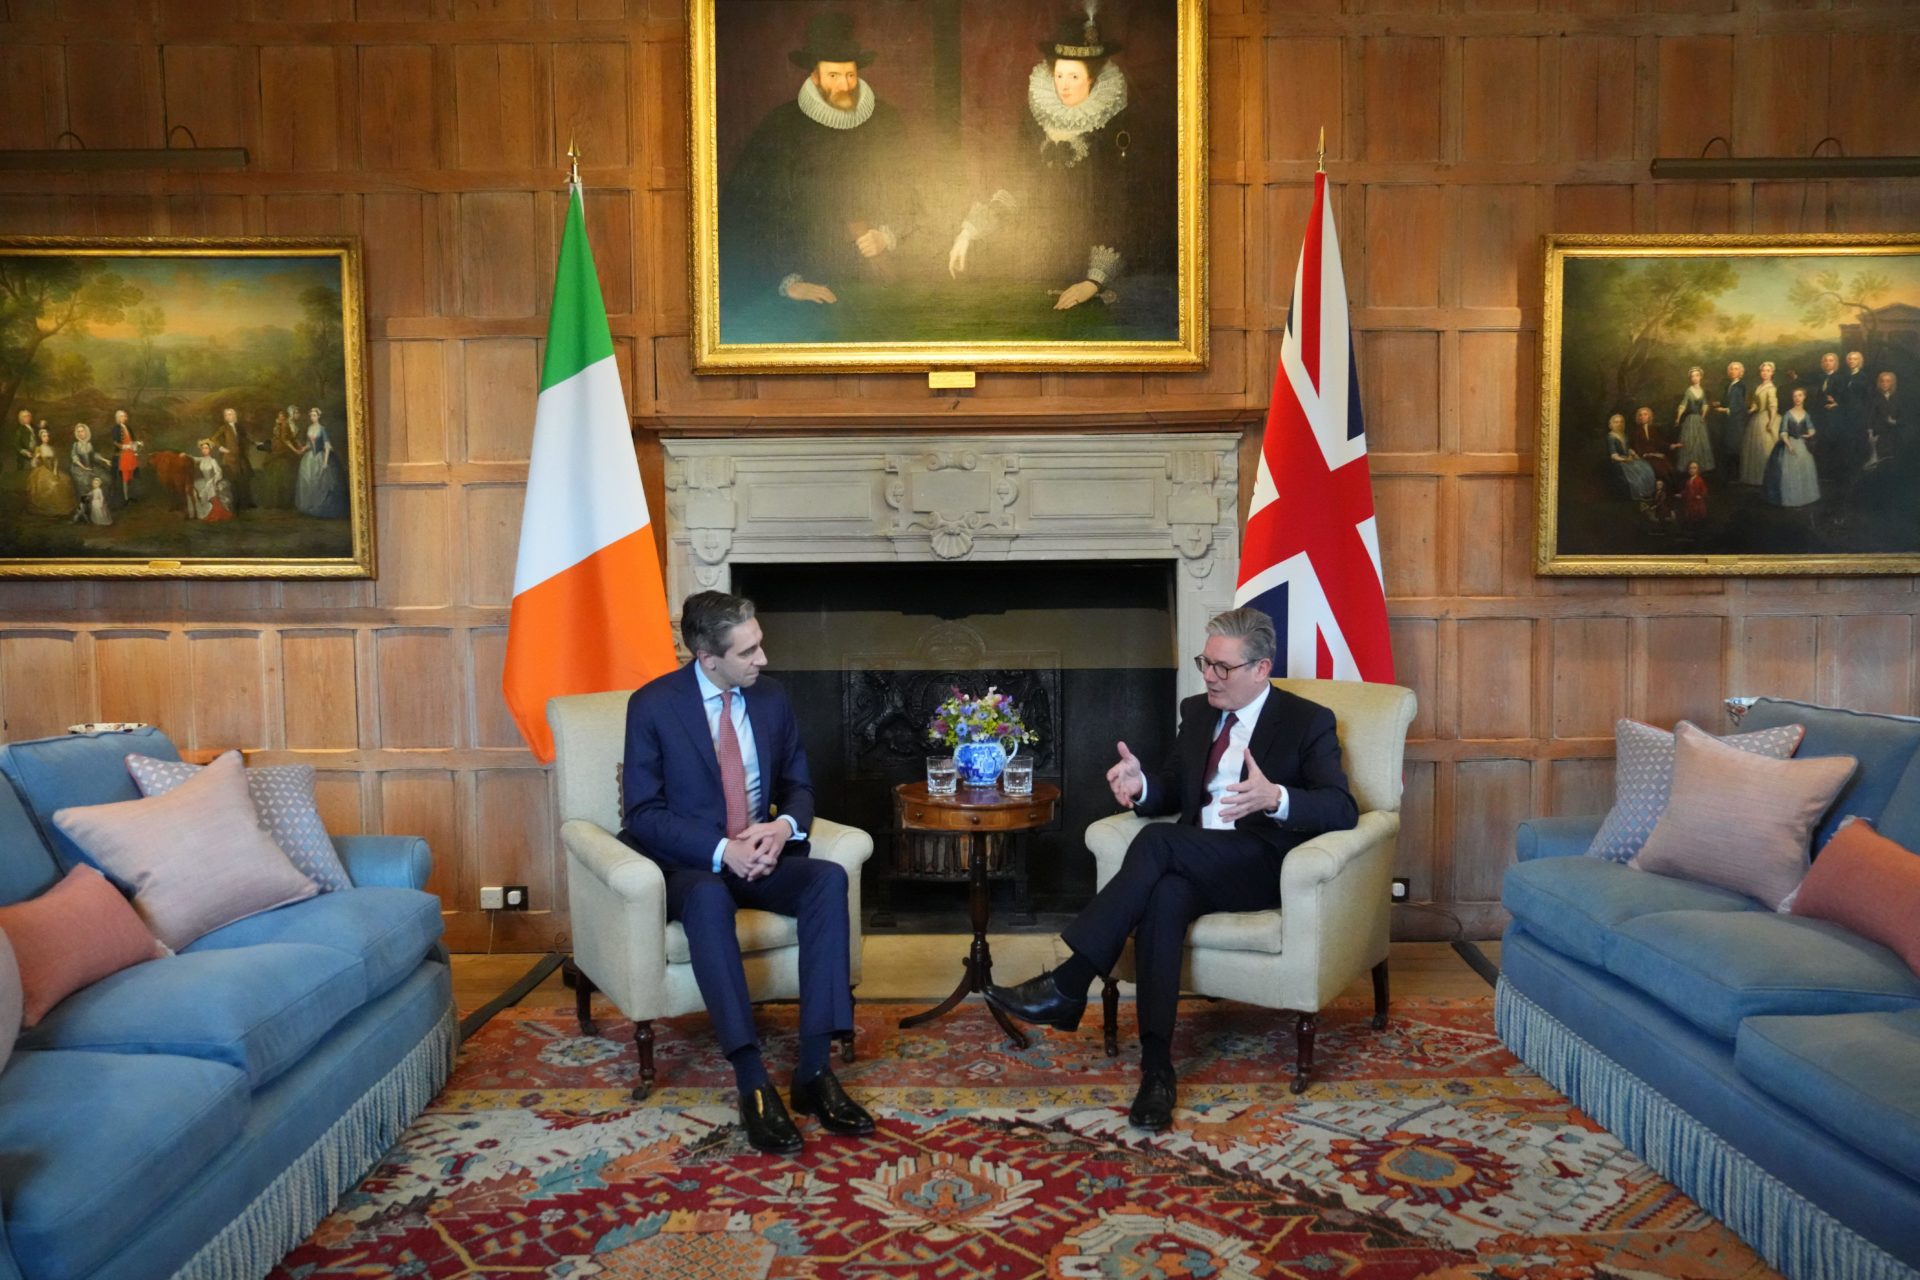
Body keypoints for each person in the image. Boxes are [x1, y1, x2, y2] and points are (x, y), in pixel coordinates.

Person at [984, 607, 1357, 1132]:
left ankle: (1070, 980)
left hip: (1262, 862)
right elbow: (1175, 787)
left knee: (1158, 842)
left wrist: (1277, 797)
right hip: (1196, 854)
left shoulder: (1306, 721)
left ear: (1261, 668)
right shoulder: (1198, 711)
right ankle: (1157, 1070)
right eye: (1206, 662)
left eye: (1223, 667)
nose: (1209, 675)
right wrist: (1141, 789)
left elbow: (1341, 808)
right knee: (1163, 899)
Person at [619, 591, 871, 1156]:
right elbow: (643, 814)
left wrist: (782, 830)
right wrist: (720, 849)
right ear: (709, 659)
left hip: (762, 854)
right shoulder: (653, 706)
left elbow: (799, 787)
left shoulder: (772, 699)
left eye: (761, 644)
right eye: (749, 650)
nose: (763, 659)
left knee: (828, 879)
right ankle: (752, 1079)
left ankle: (812, 1072)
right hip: (692, 865)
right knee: (709, 899)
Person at [946, 7, 1163, 313]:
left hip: (1104, 265)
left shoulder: (1119, 124)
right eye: (1059, 74)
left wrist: (1094, 280)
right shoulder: (1036, 119)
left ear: (1093, 79)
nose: (1064, 84)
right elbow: (1017, 184)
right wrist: (969, 232)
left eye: (1074, 76)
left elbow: (1123, 204)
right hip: (1042, 257)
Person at [717, 13, 919, 317]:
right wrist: (787, 283)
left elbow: (916, 199)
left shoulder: (885, 122)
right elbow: (746, 215)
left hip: (874, 285)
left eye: (850, 75)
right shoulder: (780, 126)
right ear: (814, 76)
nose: (844, 85)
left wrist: (887, 236)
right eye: (833, 76)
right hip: (803, 286)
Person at [1768, 386, 1820, 508]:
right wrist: (1789, 445)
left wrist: (1810, 433)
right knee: (1790, 473)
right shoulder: (1788, 414)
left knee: (1804, 470)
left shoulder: (1806, 414)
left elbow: (1811, 427)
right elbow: (1783, 431)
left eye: (1800, 395)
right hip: (1789, 444)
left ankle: (1805, 498)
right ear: (1792, 398)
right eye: (1795, 396)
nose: (1797, 398)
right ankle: (1791, 498)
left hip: (1802, 444)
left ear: (1804, 397)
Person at [294, 407, 348, 518]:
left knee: (321, 482)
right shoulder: (309, 428)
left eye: (314, 415)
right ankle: (310, 506)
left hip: (320, 457)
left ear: (318, 416)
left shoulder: (322, 429)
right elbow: (309, 444)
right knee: (308, 481)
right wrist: (302, 449)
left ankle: (320, 508)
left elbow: (327, 446)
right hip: (309, 458)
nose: (312, 417)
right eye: (311, 415)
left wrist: (325, 461)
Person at [1739, 361, 1780, 486]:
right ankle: (1757, 479)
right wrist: (1751, 409)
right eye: (1763, 371)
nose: (1765, 373)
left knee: (1765, 449)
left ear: (1772, 373)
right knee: (1756, 449)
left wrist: (1771, 422)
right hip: (1757, 418)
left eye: (1768, 371)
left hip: (1767, 418)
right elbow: (1756, 403)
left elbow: (1773, 406)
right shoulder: (1759, 387)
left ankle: (1769, 479)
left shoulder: (1772, 388)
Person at [255, 409, 301, 509]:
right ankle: (276, 501)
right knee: (275, 475)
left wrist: (296, 450)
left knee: (280, 476)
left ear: (285, 417)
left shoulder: (285, 425)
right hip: (276, 450)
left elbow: (286, 440)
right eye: (279, 416)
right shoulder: (281, 425)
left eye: (282, 416)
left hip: (281, 451)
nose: (280, 418)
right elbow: (277, 437)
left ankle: (282, 502)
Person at [210, 407, 253, 511]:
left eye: (233, 414)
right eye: (229, 414)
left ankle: (244, 504)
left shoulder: (239, 427)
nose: (232, 416)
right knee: (232, 480)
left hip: (241, 458)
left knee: (243, 479)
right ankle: (234, 505)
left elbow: (245, 440)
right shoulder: (224, 428)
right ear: (225, 417)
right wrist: (221, 448)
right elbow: (213, 439)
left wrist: (255, 443)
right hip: (230, 458)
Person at [1672, 366, 1714, 475]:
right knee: (1690, 443)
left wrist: (1703, 416)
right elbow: (1683, 405)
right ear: (1690, 378)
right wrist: (1678, 417)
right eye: (1692, 376)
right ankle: (1689, 468)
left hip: (1699, 420)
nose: (1694, 378)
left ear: (1700, 377)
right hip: (1690, 421)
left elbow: (1705, 404)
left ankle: (1700, 468)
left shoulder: (1702, 391)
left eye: (1697, 376)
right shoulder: (1689, 391)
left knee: (1701, 443)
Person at [24, 426, 72, 517]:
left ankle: (58, 507)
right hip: (42, 470)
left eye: (47, 436)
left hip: (52, 469)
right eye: (44, 436)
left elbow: (56, 460)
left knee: (65, 481)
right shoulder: (38, 448)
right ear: (41, 438)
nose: (46, 438)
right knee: (50, 484)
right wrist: (37, 457)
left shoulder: (51, 448)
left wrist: (54, 470)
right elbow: (34, 464)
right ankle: (47, 508)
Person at [67, 424, 110, 523]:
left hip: (90, 468)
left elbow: (94, 455)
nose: (81, 433)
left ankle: (99, 509)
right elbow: (75, 458)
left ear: (86, 432)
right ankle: (84, 510)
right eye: (79, 431)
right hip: (79, 469)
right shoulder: (76, 445)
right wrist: (83, 468)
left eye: (82, 431)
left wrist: (105, 460)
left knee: (106, 479)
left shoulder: (89, 444)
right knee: (84, 484)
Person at [186, 440, 235, 522]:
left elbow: (219, 472)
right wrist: (185, 455)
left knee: (211, 492)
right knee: (194, 489)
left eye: (206, 448)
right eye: (203, 448)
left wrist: (214, 480)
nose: (204, 450)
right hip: (204, 482)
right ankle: (197, 512)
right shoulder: (201, 460)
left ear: (210, 449)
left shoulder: (213, 461)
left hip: (212, 481)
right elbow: (193, 458)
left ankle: (216, 513)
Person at [1713, 361, 1749, 471]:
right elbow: (1729, 401)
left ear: (1741, 372)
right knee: (1727, 446)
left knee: (1735, 446)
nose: (1733, 371)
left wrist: (1723, 409)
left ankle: (1734, 474)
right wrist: (1719, 403)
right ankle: (1728, 473)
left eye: (1736, 369)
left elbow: (1739, 406)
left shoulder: (1740, 386)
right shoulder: (1729, 385)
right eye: (1731, 369)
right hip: (1729, 421)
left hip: (1736, 421)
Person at [110, 409, 142, 505]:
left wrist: (137, 443)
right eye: (123, 416)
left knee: (131, 476)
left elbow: (132, 441)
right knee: (124, 477)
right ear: (118, 418)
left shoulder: (128, 427)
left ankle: (131, 496)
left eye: (125, 416)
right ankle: (125, 498)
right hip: (122, 455)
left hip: (131, 455)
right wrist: (125, 446)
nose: (125, 418)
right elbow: (115, 442)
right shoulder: (115, 428)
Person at [13, 408, 34, 472]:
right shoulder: (19, 430)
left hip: (35, 453)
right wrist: (24, 451)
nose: (27, 418)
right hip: (25, 457)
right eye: (25, 416)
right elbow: (17, 444)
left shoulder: (34, 428)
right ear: (21, 418)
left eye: (28, 416)